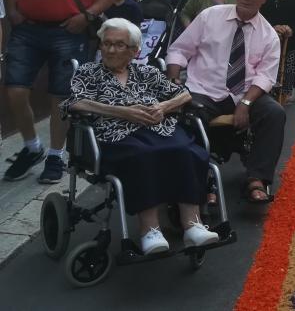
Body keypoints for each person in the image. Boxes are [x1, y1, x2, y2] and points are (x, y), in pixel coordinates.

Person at [63, 18, 218, 255]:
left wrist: (163, 107)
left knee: (187, 150)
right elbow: (75, 103)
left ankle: (193, 225)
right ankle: (150, 231)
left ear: (134, 51)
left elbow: (184, 94)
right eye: (106, 43)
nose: (110, 49)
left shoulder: (147, 72)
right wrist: (122, 111)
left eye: (119, 45)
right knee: (143, 155)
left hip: (159, 128)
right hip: (115, 134)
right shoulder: (88, 72)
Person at [3, 0, 118, 182]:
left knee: (61, 96)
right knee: (15, 90)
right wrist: (13, 11)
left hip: (69, 31)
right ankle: (32, 147)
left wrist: (88, 15)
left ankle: (56, 155)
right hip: (27, 30)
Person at [166, 0, 285, 204]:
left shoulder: (269, 35)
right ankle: (202, 179)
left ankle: (257, 178)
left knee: (275, 113)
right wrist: (172, 81)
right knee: (191, 113)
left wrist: (246, 103)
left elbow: (265, 77)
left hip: (245, 93)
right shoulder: (209, 17)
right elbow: (179, 50)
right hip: (205, 89)